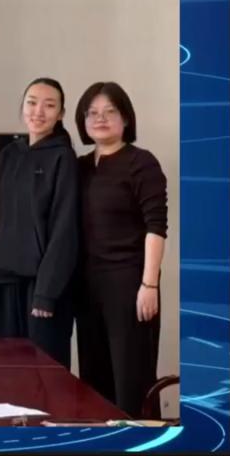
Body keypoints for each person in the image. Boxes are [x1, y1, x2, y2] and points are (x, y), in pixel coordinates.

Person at [74, 81, 167, 418]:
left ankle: (139, 440)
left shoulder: (141, 163)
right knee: (94, 381)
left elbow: (156, 227)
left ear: (125, 118)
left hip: (130, 283)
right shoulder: (80, 166)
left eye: (109, 111)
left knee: (131, 380)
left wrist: (149, 285)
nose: (100, 119)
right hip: (87, 286)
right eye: (92, 113)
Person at [0, 77, 78, 369]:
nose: (38, 111)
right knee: (4, 374)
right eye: (32, 103)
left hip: (41, 289)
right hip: (3, 281)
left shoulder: (63, 157)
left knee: (44, 377)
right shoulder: (9, 154)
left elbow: (65, 229)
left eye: (49, 105)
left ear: (61, 113)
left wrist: (46, 293)